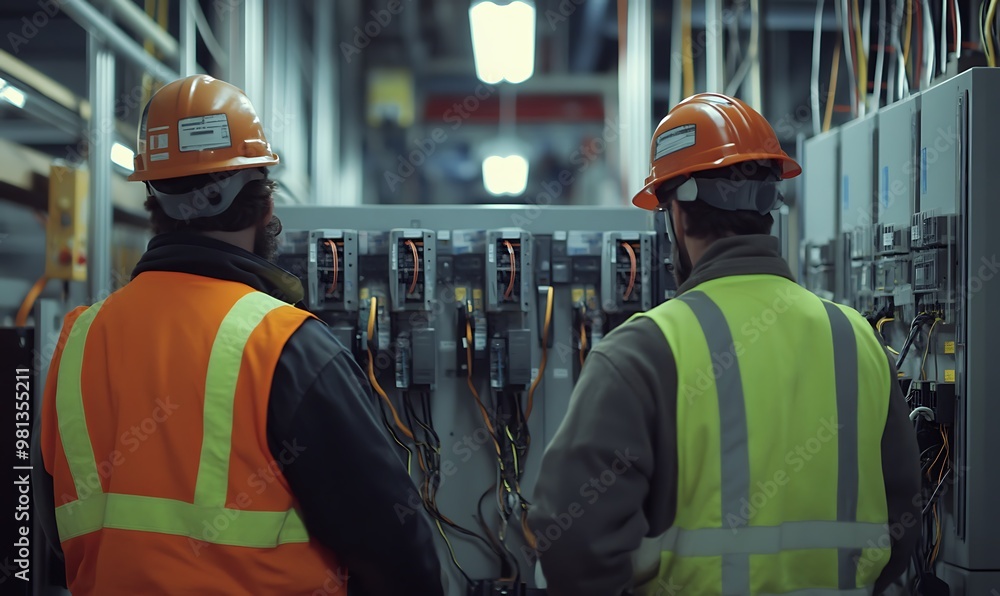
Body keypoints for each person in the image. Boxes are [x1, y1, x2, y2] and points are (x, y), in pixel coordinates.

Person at [32, 75, 444, 596]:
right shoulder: (285, 346)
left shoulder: (78, 342)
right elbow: (400, 558)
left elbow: (51, 535)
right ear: (264, 204)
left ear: (154, 204)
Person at [527, 93, 921, 595]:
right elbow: (903, 518)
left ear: (676, 214)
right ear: (768, 206)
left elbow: (571, 544)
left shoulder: (643, 353)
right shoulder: (857, 340)